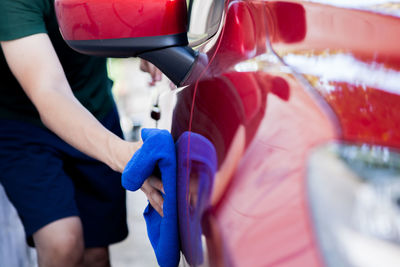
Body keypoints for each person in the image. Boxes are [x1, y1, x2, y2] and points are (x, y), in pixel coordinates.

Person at [0, 0, 164, 266]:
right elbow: (48, 90)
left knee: (95, 255)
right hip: (24, 126)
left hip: (95, 107)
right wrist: (124, 155)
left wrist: (148, 41)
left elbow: (139, 14)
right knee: (61, 243)